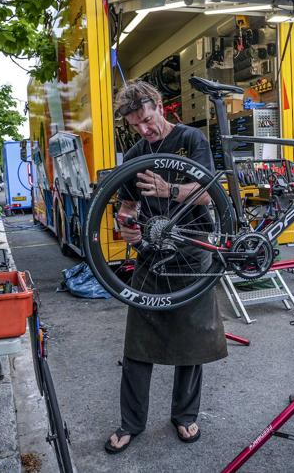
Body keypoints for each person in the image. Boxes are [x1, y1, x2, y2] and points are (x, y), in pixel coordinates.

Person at [104, 80, 227, 454]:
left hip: (192, 251)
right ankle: (130, 423)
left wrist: (169, 190)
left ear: (159, 105)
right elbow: (126, 206)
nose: (144, 129)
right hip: (151, 254)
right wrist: (123, 224)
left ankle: (185, 416)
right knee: (138, 343)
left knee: (191, 339)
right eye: (135, 125)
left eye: (146, 118)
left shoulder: (191, 140)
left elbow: (210, 192)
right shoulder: (135, 155)